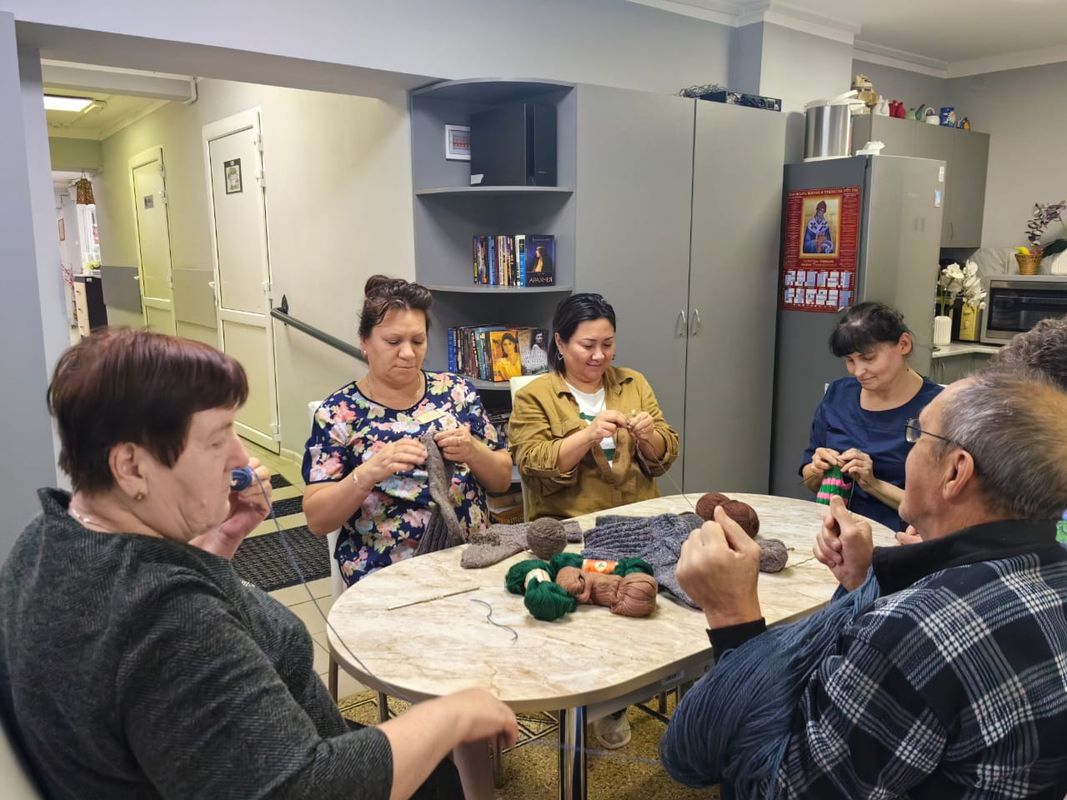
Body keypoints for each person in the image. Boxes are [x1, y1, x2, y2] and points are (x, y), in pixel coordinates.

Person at [0, 328, 517, 800]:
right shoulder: (166, 620)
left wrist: (216, 547)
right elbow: (305, 789)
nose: (240, 458)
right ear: (131, 467)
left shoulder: (43, 540)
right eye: (217, 439)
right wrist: (451, 714)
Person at [662, 370, 1067, 798]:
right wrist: (862, 586)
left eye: (918, 435)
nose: (910, 448)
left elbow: (774, 788)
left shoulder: (913, 632)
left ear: (956, 471)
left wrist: (733, 617)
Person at [508, 292, 680, 749]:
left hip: (638, 524)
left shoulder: (633, 383)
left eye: (608, 343)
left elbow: (664, 455)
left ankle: (623, 696)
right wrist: (586, 435)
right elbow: (533, 463)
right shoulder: (536, 396)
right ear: (560, 343)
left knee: (649, 599)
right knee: (584, 600)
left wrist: (650, 437)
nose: (599, 355)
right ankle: (581, 692)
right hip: (572, 532)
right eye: (587, 345)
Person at [303, 276, 513, 586]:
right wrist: (370, 471)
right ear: (364, 342)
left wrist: (472, 450)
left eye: (418, 341)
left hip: (472, 558)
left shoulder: (457, 392)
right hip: (388, 574)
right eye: (393, 342)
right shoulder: (339, 413)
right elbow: (318, 520)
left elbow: (502, 480)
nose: (408, 353)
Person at [801, 302, 942, 532]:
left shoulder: (938, 408)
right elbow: (809, 479)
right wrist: (817, 469)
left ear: (903, 344)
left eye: (868, 358)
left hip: (898, 539)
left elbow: (937, 508)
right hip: (831, 531)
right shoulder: (838, 395)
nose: (858, 372)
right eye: (850, 360)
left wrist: (873, 484)